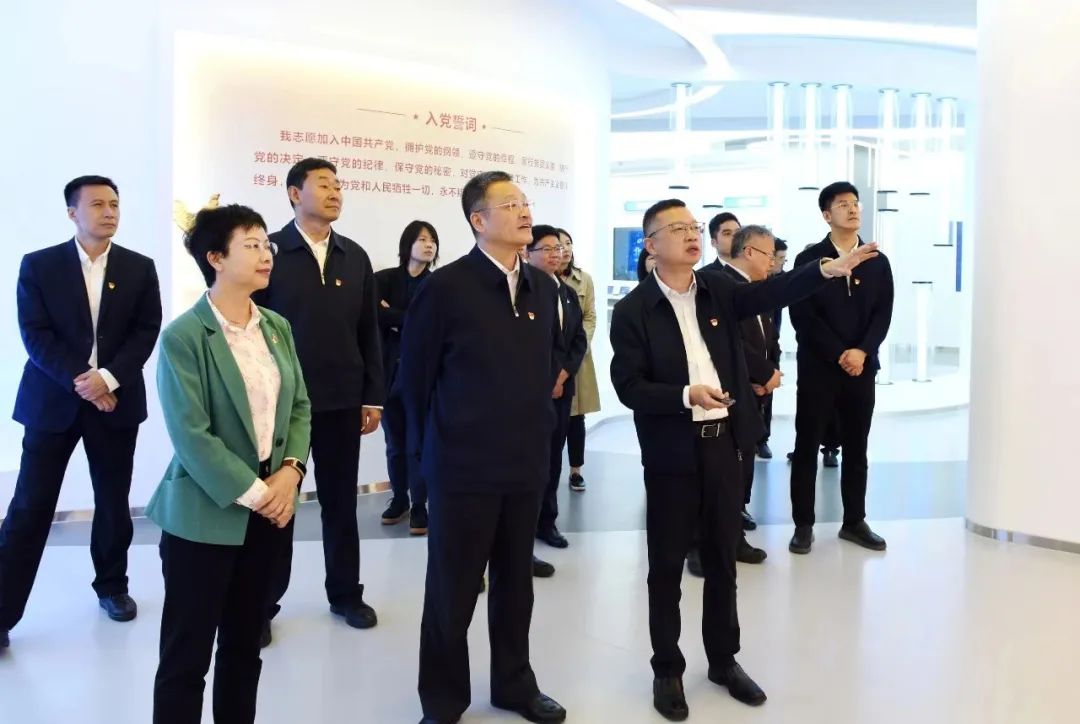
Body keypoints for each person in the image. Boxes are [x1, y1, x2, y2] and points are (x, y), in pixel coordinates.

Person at [610, 198, 877, 720]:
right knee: (666, 566)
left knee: (722, 558)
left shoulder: (718, 288)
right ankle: (667, 668)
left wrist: (827, 269)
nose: (692, 234)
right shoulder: (633, 310)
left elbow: (772, 291)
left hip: (725, 445)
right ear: (652, 245)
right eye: (678, 228)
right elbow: (629, 386)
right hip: (672, 452)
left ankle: (723, 660)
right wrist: (685, 395)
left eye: (693, 226)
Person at [399, 171, 567, 724]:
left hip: (524, 464)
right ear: (478, 220)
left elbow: (545, 366)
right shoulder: (445, 288)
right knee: (452, 591)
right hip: (462, 468)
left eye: (525, 202)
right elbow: (415, 382)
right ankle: (443, 702)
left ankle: (514, 685)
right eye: (510, 204)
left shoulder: (544, 287)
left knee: (516, 586)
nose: (524, 211)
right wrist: (426, 465)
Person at [148, 203, 310, 724]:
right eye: (252, 245)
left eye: (267, 244)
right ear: (215, 258)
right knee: (187, 655)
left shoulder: (276, 326)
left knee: (245, 646)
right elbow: (192, 436)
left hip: (270, 511)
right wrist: (264, 494)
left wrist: (291, 471)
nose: (267, 254)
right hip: (206, 513)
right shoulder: (183, 336)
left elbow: (299, 406)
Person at [0, 175, 161, 651]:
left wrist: (108, 378)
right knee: (30, 507)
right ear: (73, 212)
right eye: (97, 204)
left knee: (113, 501)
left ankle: (112, 586)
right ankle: (3, 610)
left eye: (115, 204)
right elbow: (35, 334)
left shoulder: (139, 267)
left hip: (116, 401)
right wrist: (85, 381)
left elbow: (146, 330)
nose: (109, 212)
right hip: (52, 402)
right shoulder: (40, 265)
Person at [256, 157, 383, 642]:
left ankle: (346, 593)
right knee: (277, 503)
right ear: (295, 193)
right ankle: (263, 603)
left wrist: (373, 395)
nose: (335, 193)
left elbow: (369, 330)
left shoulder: (355, 255)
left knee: (340, 503)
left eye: (338, 185)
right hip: (283, 404)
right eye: (323, 185)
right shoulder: (269, 251)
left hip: (342, 400)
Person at [788, 181, 894, 555]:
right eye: (843, 204)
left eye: (855, 203)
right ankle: (803, 524)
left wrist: (861, 352)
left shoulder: (876, 260)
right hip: (819, 368)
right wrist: (839, 353)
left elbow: (883, 313)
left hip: (861, 369)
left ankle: (854, 521)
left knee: (857, 445)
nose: (852, 209)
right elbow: (802, 316)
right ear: (826, 214)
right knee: (806, 445)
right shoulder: (809, 260)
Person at [377, 220, 439, 535]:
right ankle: (399, 498)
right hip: (389, 374)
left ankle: (419, 505)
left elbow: (431, 325)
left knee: (418, 442)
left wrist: (395, 317)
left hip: (423, 376)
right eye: (422, 239)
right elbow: (374, 315)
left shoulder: (438, 284)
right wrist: (407, 319)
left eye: (432, 241)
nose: (429, 245)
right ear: (407, 244)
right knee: (394, 443)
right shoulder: (383, 280)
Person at [724, 225, 783, 553]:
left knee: (744, 462)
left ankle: (735, 529)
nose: (772, 263)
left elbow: (769, 337)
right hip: (731, 392)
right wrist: (760, 373)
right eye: (768, 255)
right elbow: (729, 342)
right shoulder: (724, 287)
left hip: (756, 390)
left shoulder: (758, 289)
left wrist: (769, 374)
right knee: (727, 470)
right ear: (749, 252)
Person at [528, 226, 586, 549]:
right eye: (547, 249)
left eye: (559, 248)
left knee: (553, 457)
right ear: (528, 253)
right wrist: (549, 377)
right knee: (532, 460)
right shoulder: (525, 292)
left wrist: (563, 375)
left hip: (562, 388)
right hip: (533, 390)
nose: (556, 254)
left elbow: (577, 340)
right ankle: (525, 525)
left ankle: (546, 522)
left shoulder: (567, 292)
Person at [557, 229, 600, 492]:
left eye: (568, 244)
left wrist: (577, 346)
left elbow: (590, 317)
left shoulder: (584, 280)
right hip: (550, 360)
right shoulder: (540, 279)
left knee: (576, 418)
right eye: (558, 245)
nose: (564, 249)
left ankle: (575, 471)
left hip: (578, 360)